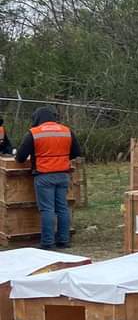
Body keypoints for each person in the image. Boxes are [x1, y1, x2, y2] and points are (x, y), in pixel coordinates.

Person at [14, 106, 82, 249]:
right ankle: (63, 241)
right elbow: (76, 152)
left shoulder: (34, 133)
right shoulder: (67, 131)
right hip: (63, 174)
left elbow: (20, 157)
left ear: (37, 118)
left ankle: (47, 243)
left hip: (44, 176)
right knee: (62, 208)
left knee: (47, 209)